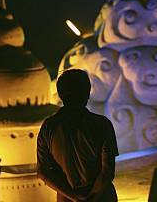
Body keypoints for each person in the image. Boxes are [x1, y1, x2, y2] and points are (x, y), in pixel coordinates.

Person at [37, 69, 118, 202]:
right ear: (87, 92)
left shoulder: (48, 127)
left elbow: (43, 172)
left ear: (61, 94)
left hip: (66, 199)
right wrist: (92, 197)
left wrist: (74, 197)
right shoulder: (102, 125)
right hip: (101, 198)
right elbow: (107, 172)